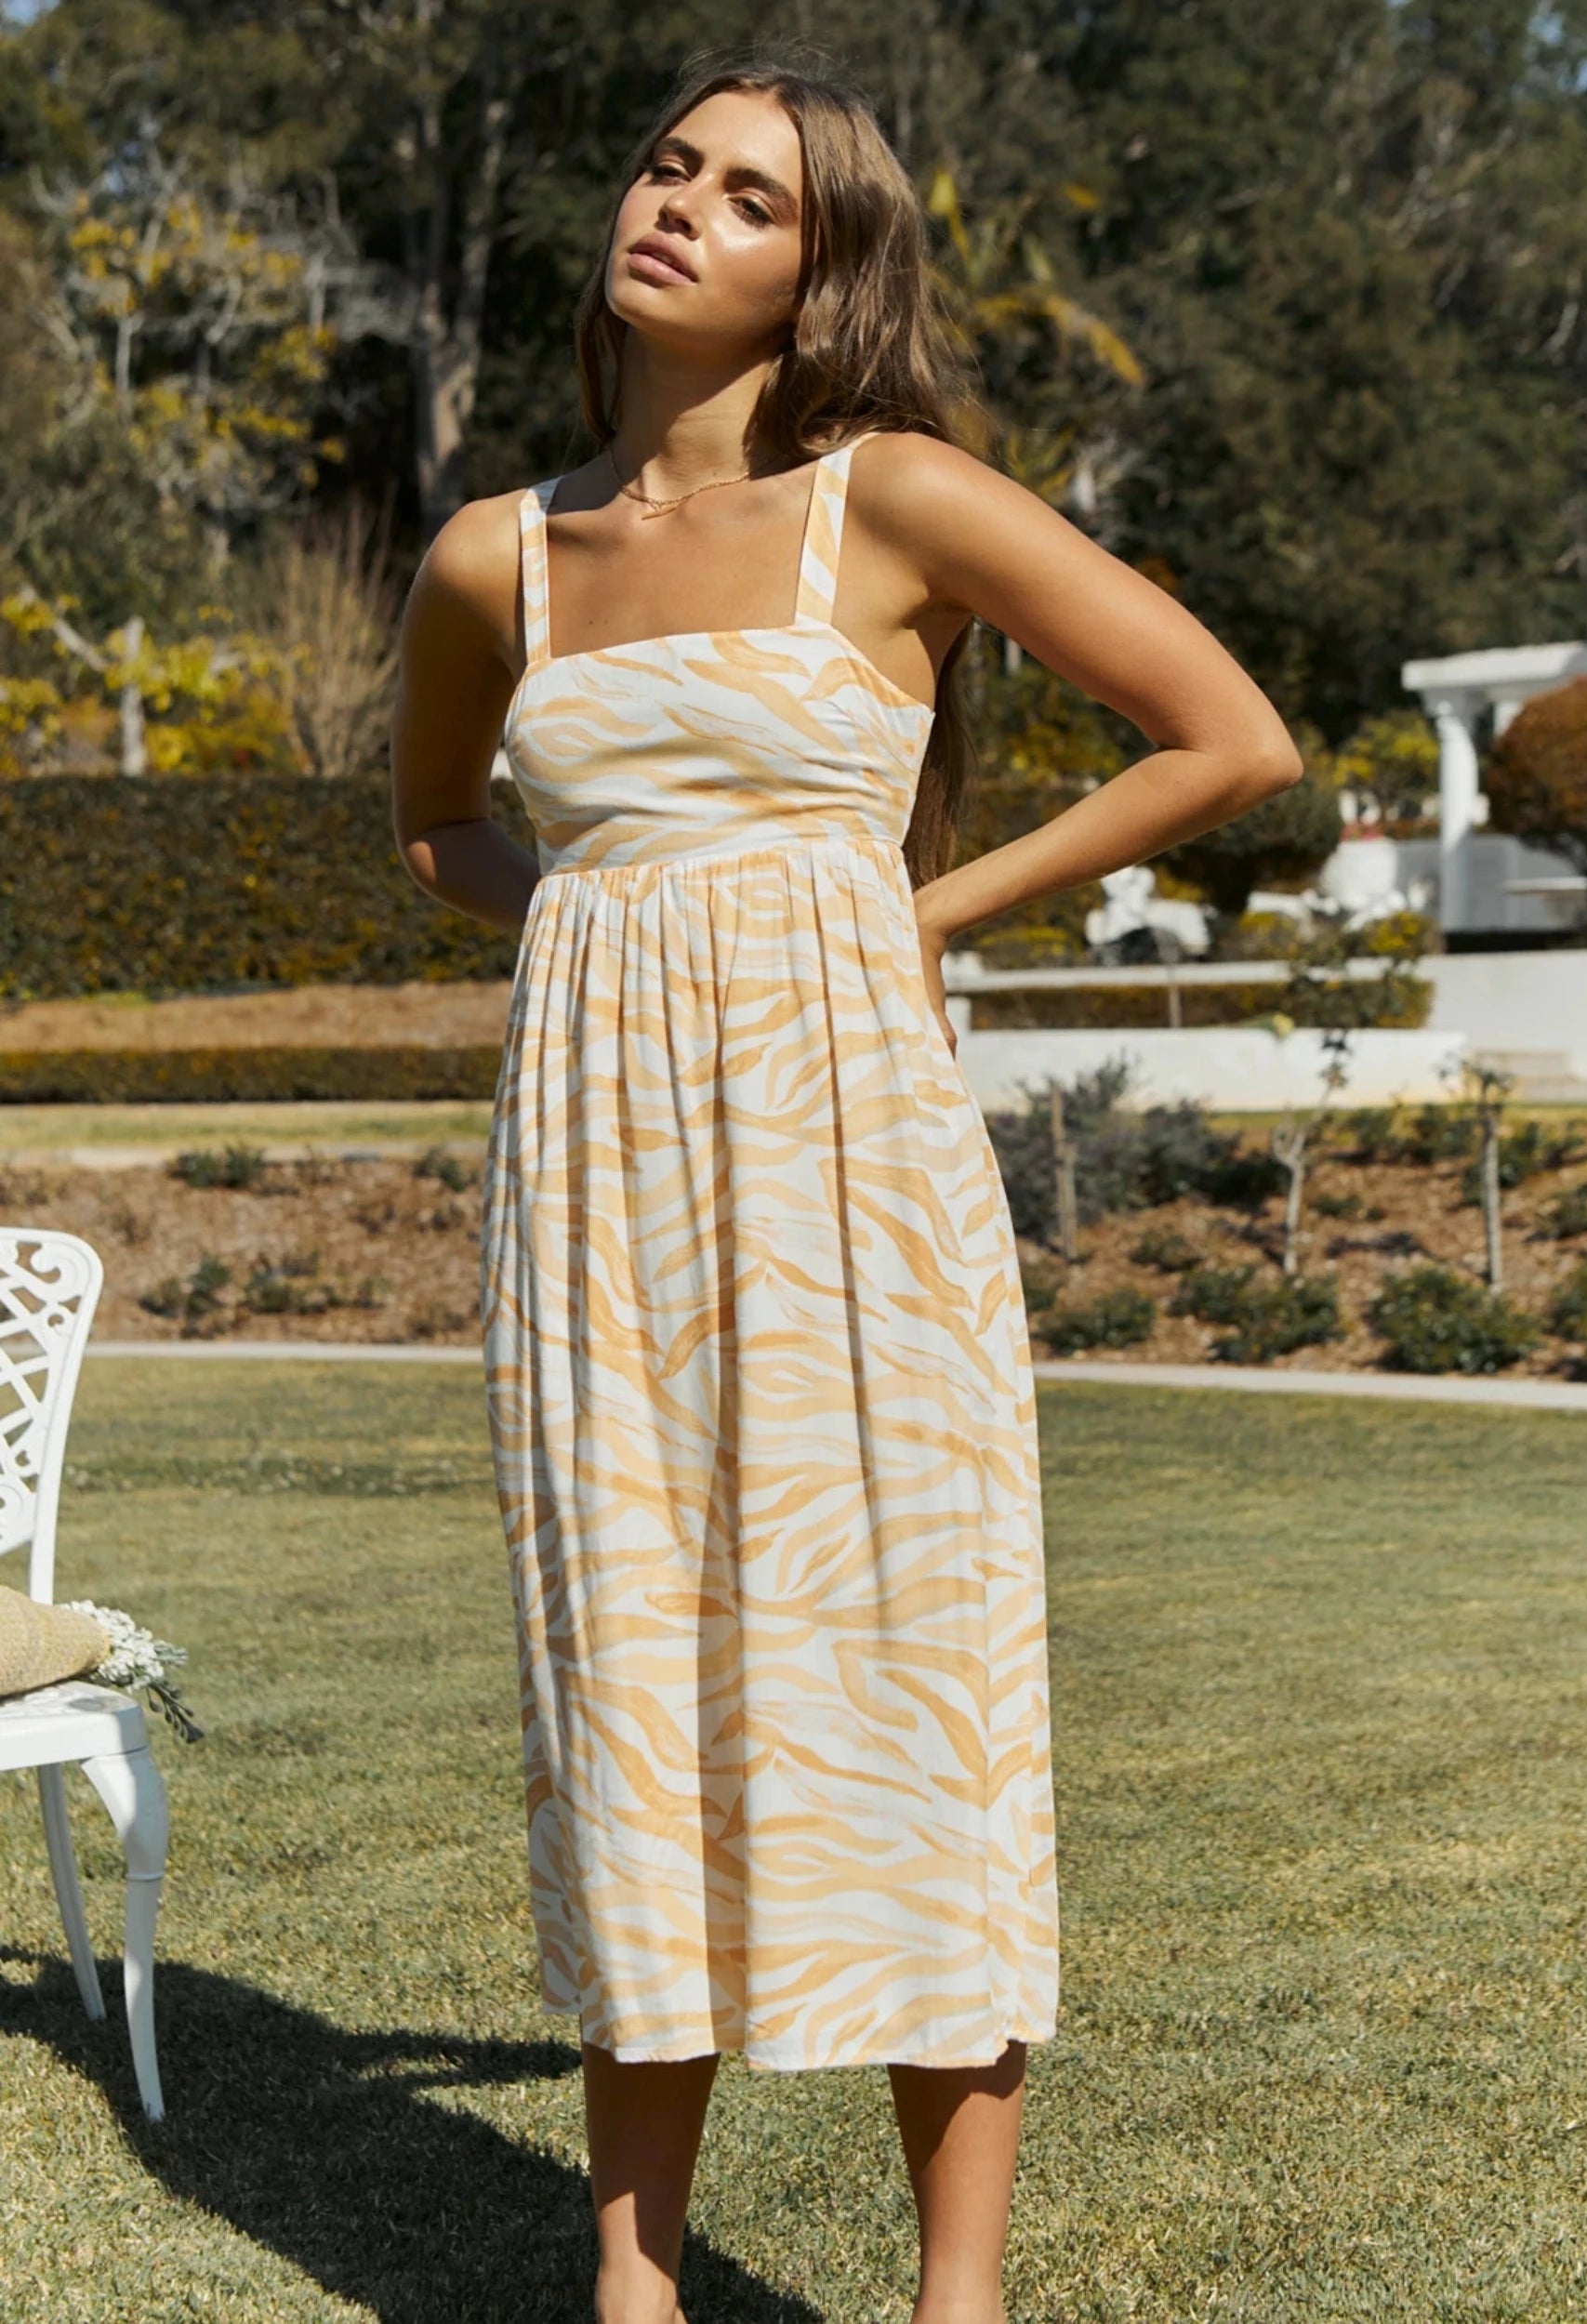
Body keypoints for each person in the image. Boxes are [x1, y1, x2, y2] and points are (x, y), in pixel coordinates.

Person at [390, 49, 1302, 2324]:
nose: (681, 207)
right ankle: (635, 2276)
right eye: (667, 166)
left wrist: (904, 907)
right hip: (599, 1191)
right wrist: (623, 930)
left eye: (752, 196)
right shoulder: (498, 550)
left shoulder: (889, 499)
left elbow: (1228, 735)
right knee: (630, 1676)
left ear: (827, 272)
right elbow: (441, 831)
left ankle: (954, 2294)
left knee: (912, 1667)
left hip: (853, 1164)